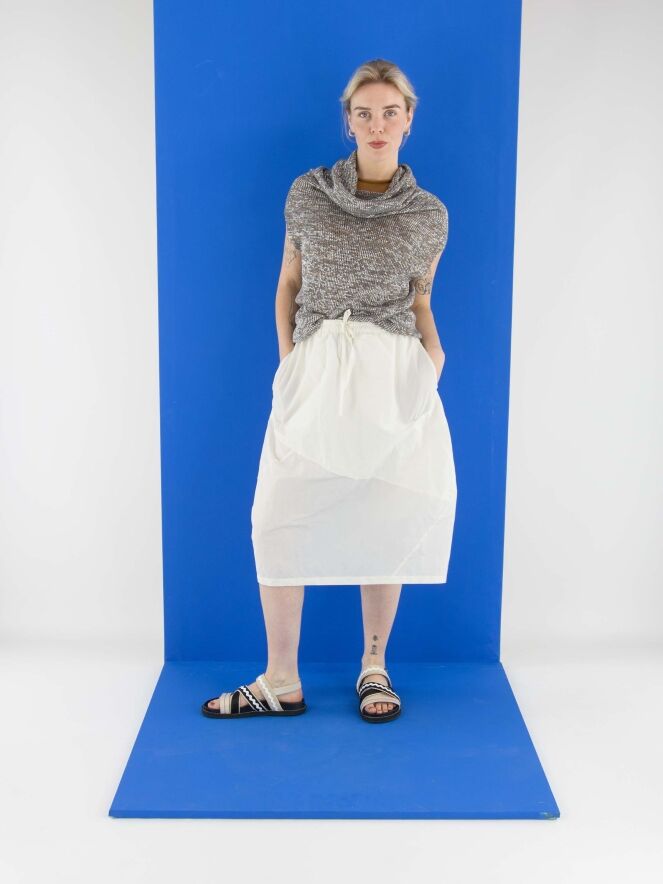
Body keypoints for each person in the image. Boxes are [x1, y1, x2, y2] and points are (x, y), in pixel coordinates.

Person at [202, 58, 457, 724]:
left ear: (409, 119)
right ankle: (280, 679)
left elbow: (420, 300)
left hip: (392, 373)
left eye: (390, 112)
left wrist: (433, 356)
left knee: (386, 513)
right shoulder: (307, 193)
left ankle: (374, 666)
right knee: (278, 512)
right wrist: (290, 364)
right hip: (317, 366)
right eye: (364, 113)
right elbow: (288, 283)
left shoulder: (429, 215)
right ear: (348, 121)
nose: (377, 125)